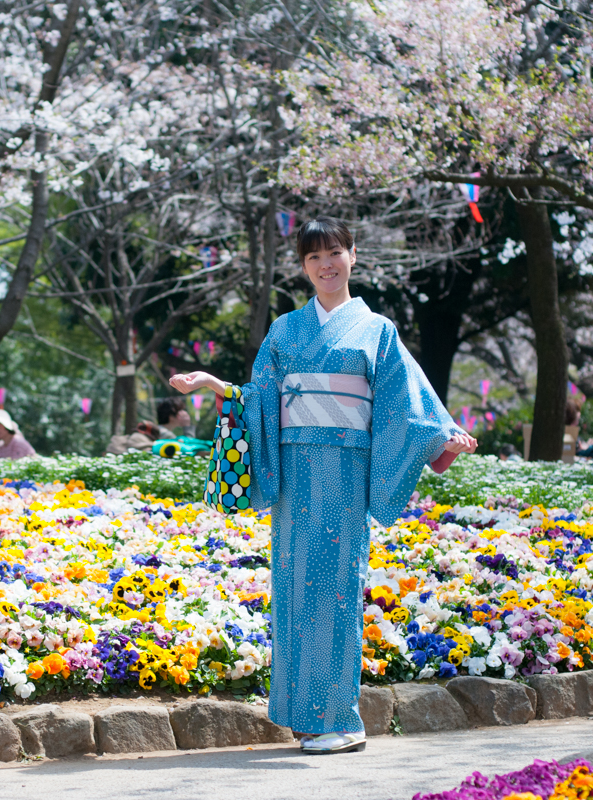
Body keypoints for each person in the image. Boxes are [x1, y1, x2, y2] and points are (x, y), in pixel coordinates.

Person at [169, 217, 476, 755]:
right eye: (314, 257)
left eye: (334, 252)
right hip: (294, 479)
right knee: (293, 593)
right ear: (304, 267)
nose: (325, 264)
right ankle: (305, 717)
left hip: (345, 475)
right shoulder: (285, 330)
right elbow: (262, 396)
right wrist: (217, 385)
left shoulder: (377, 329)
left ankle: (342, 719)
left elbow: (405, 402)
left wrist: (442, 436)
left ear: (353, 255)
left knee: (335, 594)